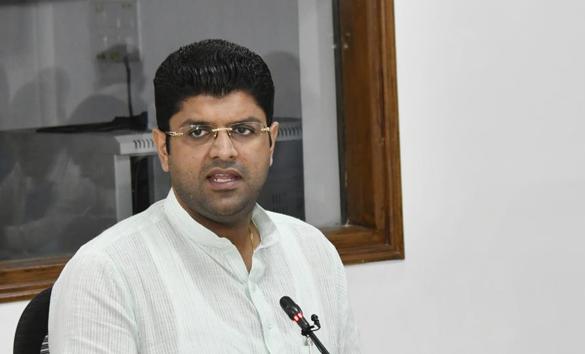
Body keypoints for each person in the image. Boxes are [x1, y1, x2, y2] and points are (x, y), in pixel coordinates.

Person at [49, 39, 360, 353]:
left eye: (244, 130)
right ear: (163, 149)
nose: (224, 151)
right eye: (197, 132)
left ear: (271, 143)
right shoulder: (106, 274)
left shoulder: (313, 252)